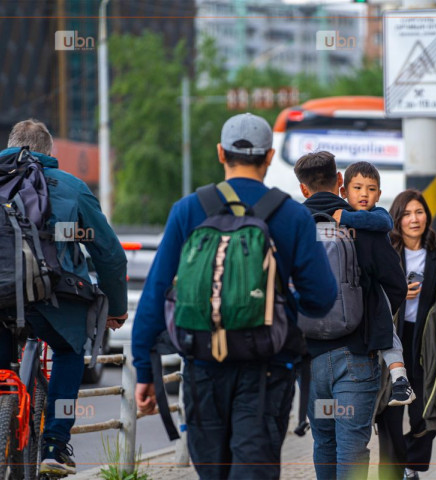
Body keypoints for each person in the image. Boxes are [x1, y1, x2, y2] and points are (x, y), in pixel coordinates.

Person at [132, 113, 337, 480]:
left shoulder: (188, 210)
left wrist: (144, 372)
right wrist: (280, 306)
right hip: (267, 367)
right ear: (270, 156)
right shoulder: (291, 215)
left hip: (202, 365)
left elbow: (155, 296)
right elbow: (322, 297)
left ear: (220, 153)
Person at [0, 119, 128, 476]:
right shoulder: (70, 186)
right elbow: (108, 254)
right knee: (68, 353)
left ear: (10, 145)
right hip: (51, 301)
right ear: (50, 153)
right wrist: (117, 309)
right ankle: (55, 444)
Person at [294, 151, 407, 480]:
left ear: (303, 189)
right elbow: (396, 286)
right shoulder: (364, 225)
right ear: (340, 182)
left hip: (311, 362)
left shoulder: (292, 225)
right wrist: (370, 321)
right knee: (352, 446)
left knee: (324, 441)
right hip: (356, 360)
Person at [375, 189, 436, 480]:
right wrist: (397, 292)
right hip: (394, 340)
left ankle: (410, 466)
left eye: (420, 212)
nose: (414, 219)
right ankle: (394, 472)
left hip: (427, 342)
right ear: (397, 219)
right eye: (407, 214)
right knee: (390, 412)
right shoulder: (386, 252)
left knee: (426, 415)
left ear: (427, 216)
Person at [333, 161, 415, 406]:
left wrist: (345, 217)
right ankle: (399, 379)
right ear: (343, 191)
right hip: (354, 304)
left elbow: (384, 223)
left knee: (383, 321)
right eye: (357, 188)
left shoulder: (377, 217)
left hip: (368, 297)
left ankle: (400, 379)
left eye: (371, 189)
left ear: (379, 194)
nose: (364, 194)